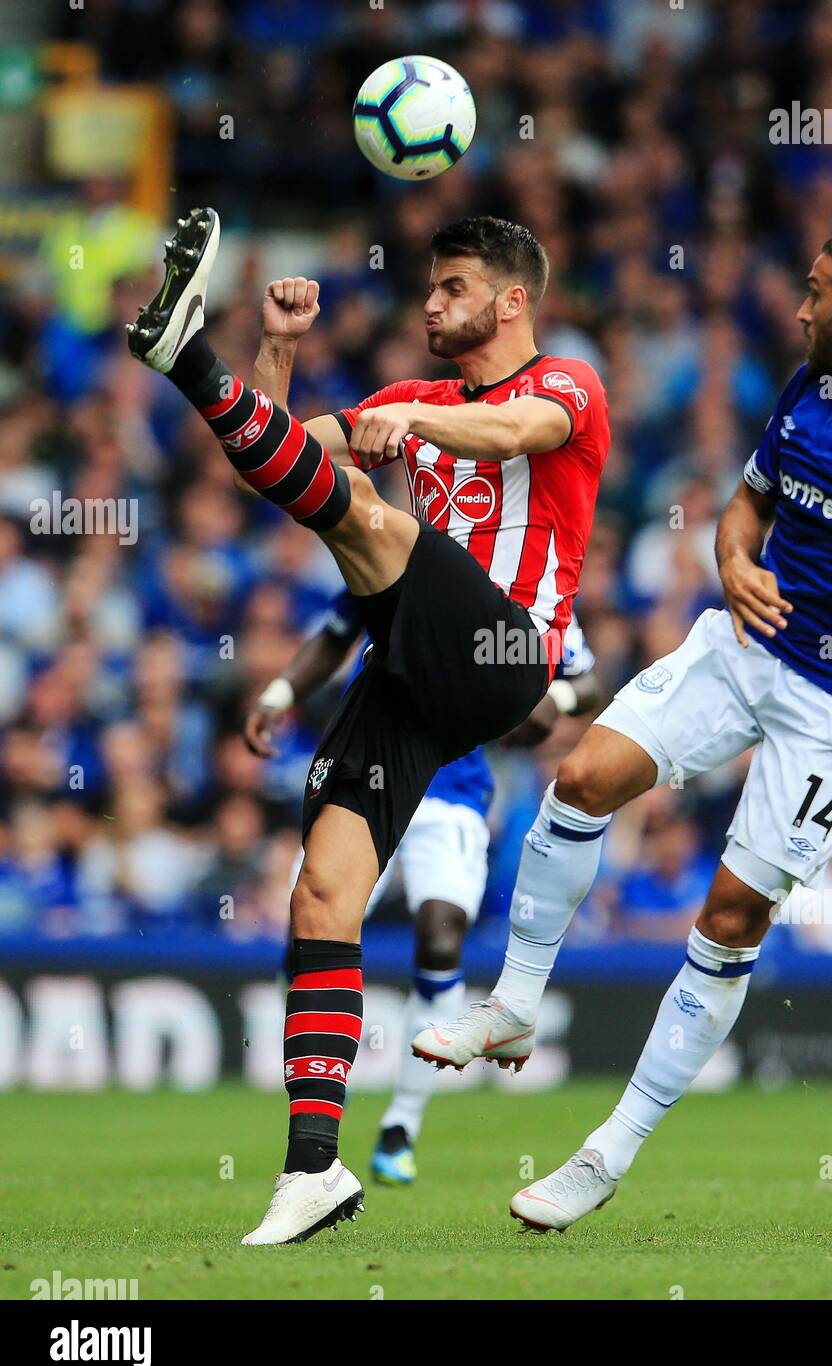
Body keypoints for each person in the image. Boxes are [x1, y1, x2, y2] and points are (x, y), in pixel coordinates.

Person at [416, 234, 832, 1230]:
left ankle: (607, 1153)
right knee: (583, 775)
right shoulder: (806, 391)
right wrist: (733, 561)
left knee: (729, 919)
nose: (799, 310)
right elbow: (744, 509)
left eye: (815, 295)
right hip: (742, 643)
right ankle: (512, 999)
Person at [127, 208, 610, 1244]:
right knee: (322, 894)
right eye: (429, 288)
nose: (431, 303)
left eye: (453, 288)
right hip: (408, 670)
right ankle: (313, 1168)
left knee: (368, 512)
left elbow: (520, 432)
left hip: (504, 654)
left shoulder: (567, 382)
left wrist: (417, 430)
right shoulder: (410, 397)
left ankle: (185, 357)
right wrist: (280, 352)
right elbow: (274, 466)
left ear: (511, 300)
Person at [245, 598, 602, 1184]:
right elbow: (336, 633)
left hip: (450, 794)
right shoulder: (404, 558)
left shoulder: (532, 590)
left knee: (440, 939)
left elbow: (584, 681)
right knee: (307, 927)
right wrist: (280, 694)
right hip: (365, 773)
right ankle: (315, 1085)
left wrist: (555, 699)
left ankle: (400, 1126)